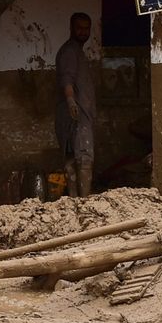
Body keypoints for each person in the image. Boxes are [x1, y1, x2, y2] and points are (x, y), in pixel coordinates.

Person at [55, 12, 96, 197]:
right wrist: (71, 101)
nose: (83, 32)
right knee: (84, 158)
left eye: (86, 28)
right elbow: (67, 79)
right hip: (76, 114)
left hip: (74, 114)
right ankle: (84, 202)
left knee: (72, 158)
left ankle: (74, 202)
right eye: (79, 28)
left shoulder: (75, 51)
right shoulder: (70, 51)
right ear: (71, 28)